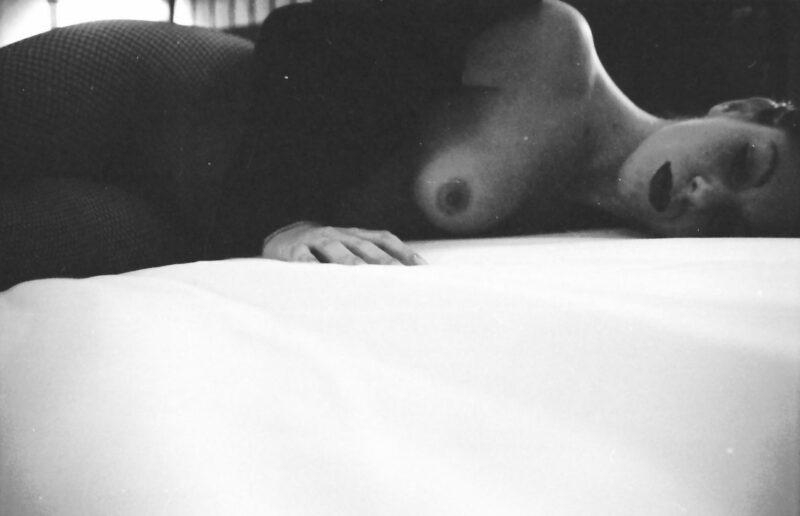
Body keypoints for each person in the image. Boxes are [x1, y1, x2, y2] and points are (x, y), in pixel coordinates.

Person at [0, 0, 798, 290]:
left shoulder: (592, 230)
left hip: (196, 227)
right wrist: (287, 223)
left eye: (729, 221)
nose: (705, 195)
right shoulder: (552, 43)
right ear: (740, 108)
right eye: (744, 161)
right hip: (163, 100)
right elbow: (314, 34)